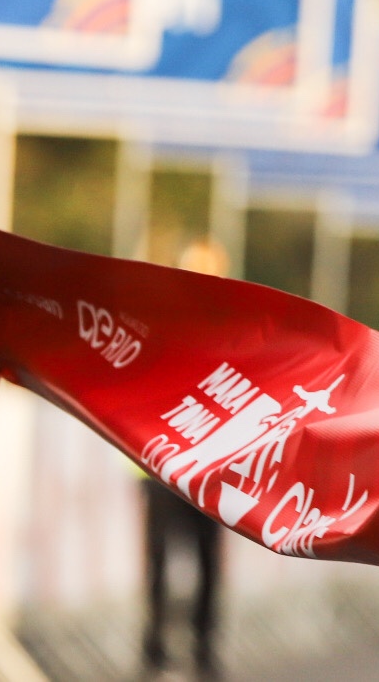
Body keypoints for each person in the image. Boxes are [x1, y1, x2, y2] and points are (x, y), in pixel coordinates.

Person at [142, 238, 230, 678]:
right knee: (158, 558)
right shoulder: (162, 324)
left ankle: (204, 647)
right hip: (161, 464)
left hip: (216, 468)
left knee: (208, 560)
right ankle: (154, 646)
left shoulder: (232, 329)